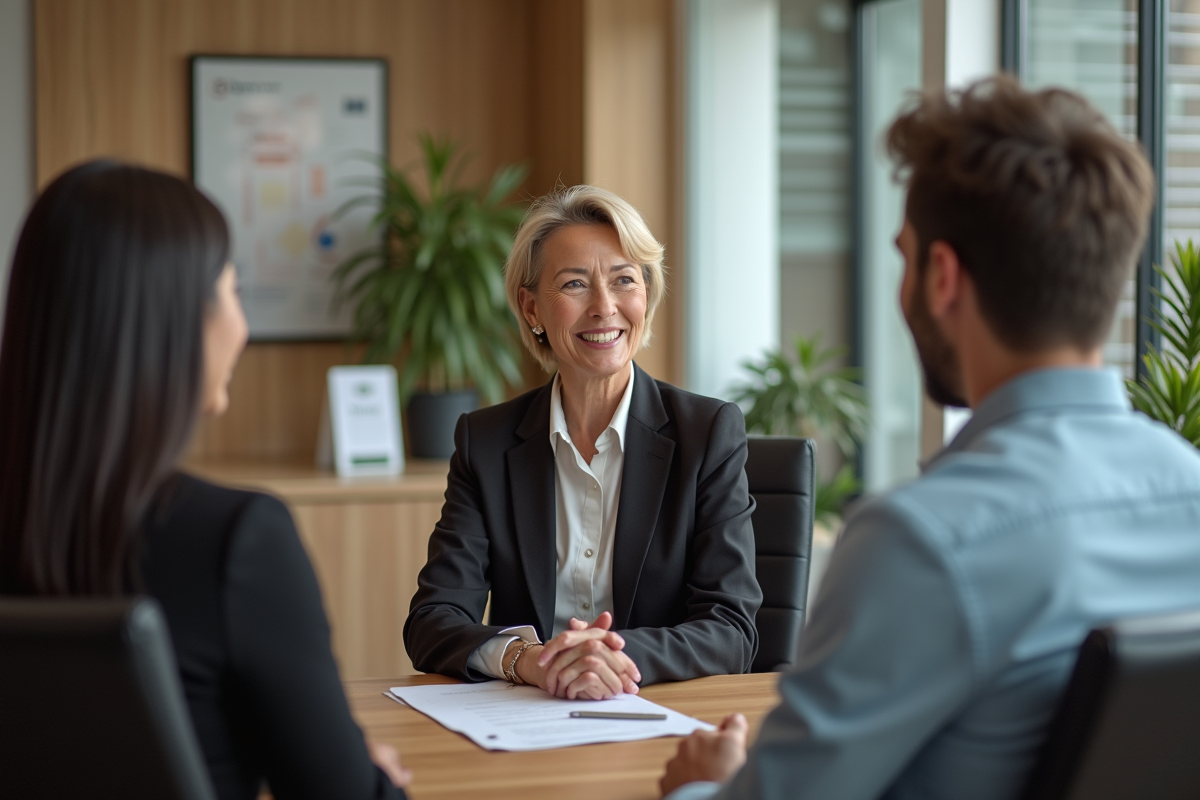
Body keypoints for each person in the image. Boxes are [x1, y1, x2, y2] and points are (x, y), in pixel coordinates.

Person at [659, 76, 1200, 800]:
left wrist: (705, 786)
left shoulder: (922, 542)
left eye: (904, 257)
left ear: (941, 276)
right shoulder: (1189, 487)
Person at [0, 161, 410, 800]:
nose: (241, 327)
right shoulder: (236, 542)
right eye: (232, 291)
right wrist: (367, 773)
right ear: (168, 323)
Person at [404, 185, 762, 699]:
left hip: (658, 714)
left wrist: (612, 659)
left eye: (624, 281)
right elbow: (433, 621)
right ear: (531, 308)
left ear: (646, 295)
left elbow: (732, 629)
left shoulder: (707, 434)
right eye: (575, 284)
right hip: (525, 717)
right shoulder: (485, 443)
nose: (604, 307)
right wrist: (525, 659)